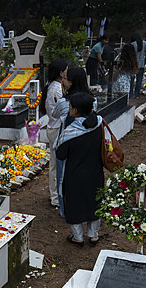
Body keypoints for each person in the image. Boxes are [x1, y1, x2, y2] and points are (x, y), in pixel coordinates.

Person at [55, 92, 104, 247]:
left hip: (74, 175)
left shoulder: (70, 131)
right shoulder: (99, 124)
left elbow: (60, 154)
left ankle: (78, 237)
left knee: (75, 204)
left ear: (75, 110)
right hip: (95, 172)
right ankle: (93, 235)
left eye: (70, 106)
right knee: (94, 201)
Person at [51, 67, 92, 218]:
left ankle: (65, 208)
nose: (63, 80)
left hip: (66, 145)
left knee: (63, 179)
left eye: (65, 78)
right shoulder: (92, 101)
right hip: (87, 145)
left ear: (72, 82)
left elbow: (54, 114)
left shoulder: (64, 103)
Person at [40, 59, 67, 208]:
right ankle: (56, 197)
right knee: (57, 166)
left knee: (54, 165)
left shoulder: (50, 86)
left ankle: (54, 195)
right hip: (57, 129)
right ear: (61, 73)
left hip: (52, 127)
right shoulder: (57, 89)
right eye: (66, 70)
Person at [130, 33, 146, 98]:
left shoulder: (132, 44)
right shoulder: (145, 43)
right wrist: (144, 60)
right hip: (141, 64)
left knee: (132, 80)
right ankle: (137, 94)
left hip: (133, 64)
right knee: (139, 80)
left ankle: (131, 94)